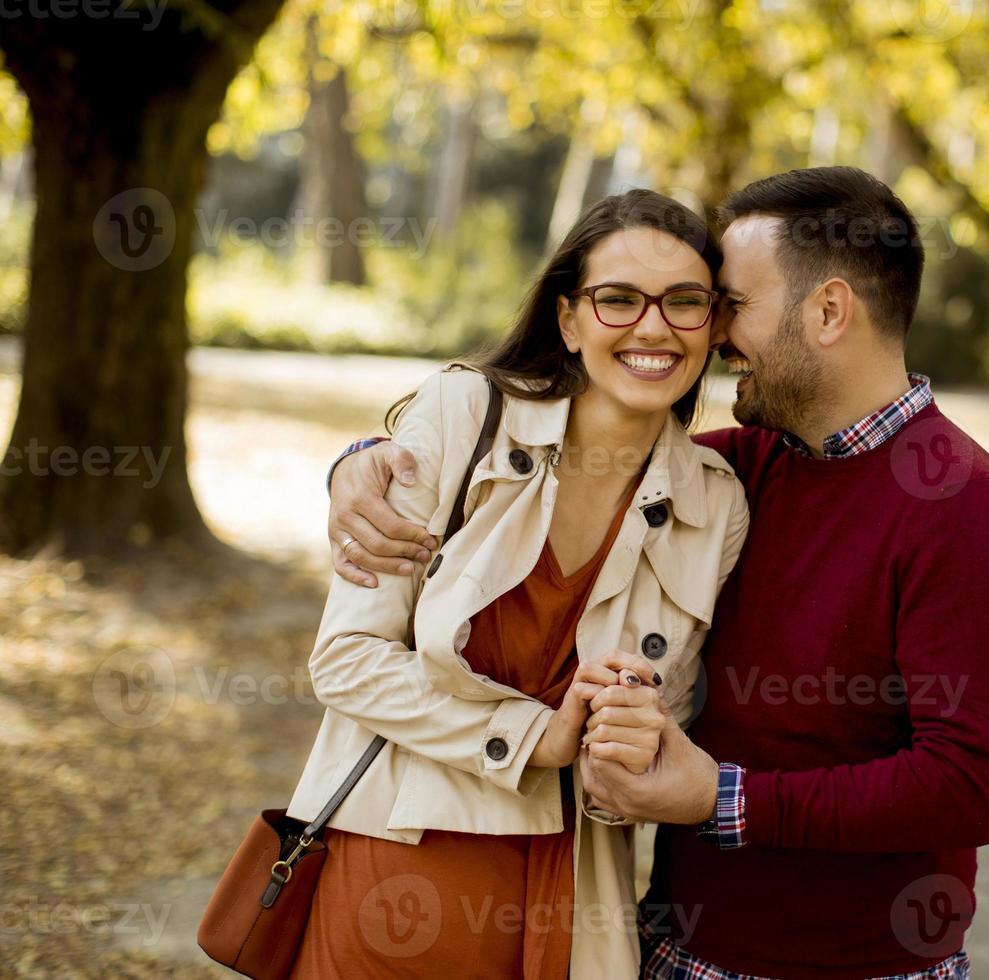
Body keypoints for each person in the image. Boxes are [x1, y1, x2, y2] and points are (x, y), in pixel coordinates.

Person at [327, 167, 989, 979]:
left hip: (851, 967)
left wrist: (723, 798)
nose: (712, 336)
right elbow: (580, 461)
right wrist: (368, 464)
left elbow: (969, 786)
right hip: (676, 952)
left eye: (728, 305)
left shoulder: (969, 508)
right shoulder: (743, 468)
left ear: (828, 311)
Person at [284, 189, 749, 979]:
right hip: (397, 863)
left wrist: (631, 749)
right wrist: (534, 738)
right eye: (617, 300)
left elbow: (653, 744)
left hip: (570, 898)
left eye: (684, 303)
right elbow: (346, 660)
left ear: (713, 325)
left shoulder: (717, 501)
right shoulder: (464, 413)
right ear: (568, 320)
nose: (652, 327)